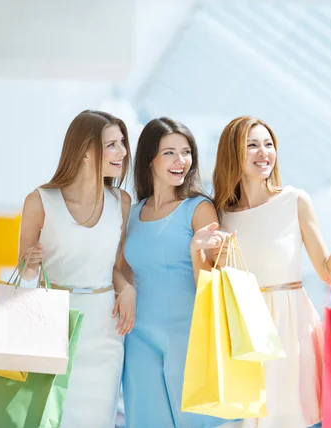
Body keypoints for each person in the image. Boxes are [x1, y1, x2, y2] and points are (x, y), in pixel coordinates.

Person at [212, 116, 331, 428]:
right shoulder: (219, 214)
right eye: (252, 145)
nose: (264, 152)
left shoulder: (294, 200)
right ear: (232, 153)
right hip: (244, 331)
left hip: (291, 328)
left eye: (268, 144)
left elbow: (328, 273)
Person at [19, 110, 135, 427]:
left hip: (105, 327)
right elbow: (25, 275)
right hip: (55, 324)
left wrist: (127, 288)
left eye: (122, 143)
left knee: (99, 416)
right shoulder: (40, 200)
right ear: (85, 151)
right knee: (52, 417)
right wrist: (29, 265)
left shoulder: (121, 202)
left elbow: (119, 268)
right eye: (112, 144)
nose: (123, 152)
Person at [122, 117, 229, 427]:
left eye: (186, 152)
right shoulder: (132, 212)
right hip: (139, 337)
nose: (180, 161)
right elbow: (121, 269)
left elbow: (211, 283)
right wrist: (125, 289)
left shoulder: (198, 208)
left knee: (196, 421)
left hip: (189, 335)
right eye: (169, 152)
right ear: (149, 159)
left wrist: (198, 249)